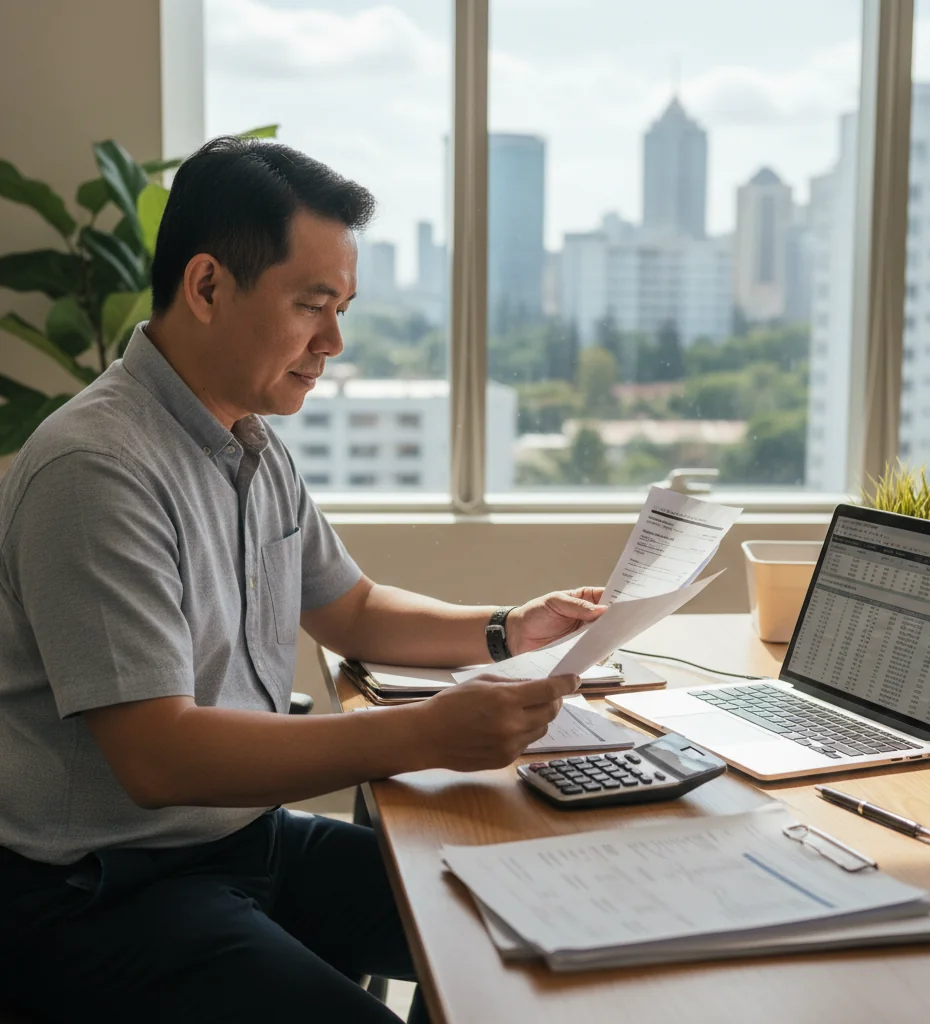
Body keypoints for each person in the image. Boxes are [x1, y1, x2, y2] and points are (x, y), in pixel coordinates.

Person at [0, 137, 604, 1023]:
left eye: (343, 307)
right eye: (312, 306)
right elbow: (157, 755)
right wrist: (428, 732)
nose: (334, 341)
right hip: (98, 894)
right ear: (207, 287)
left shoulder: (245, 439)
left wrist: (507, 628)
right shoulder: (97, 469)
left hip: (242, 841)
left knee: (540, 917)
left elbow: (351, 609)